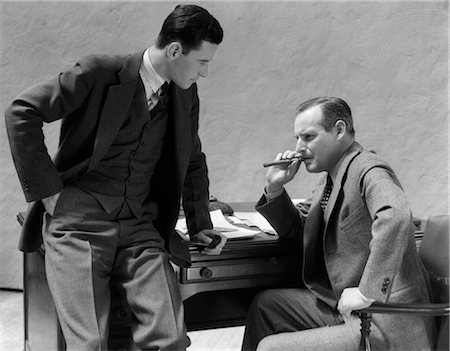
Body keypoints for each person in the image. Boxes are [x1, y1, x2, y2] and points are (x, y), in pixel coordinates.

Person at [5, 4, 227, 350]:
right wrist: (49, 194)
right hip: (79, 224)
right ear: (173, 50)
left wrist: (199, 224)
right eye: (203, 62)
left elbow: (192, 157)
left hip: (140, 225)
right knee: (89, 343)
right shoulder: (100, 72)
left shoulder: (184, 94)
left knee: (170, 338)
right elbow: (22, 111)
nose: (206, 73)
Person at [241, 97, 435, 350]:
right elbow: (302, 231)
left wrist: (368, 292)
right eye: (297, 138)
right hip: (346, 309)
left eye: (308, 137)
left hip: (384, 320)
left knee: (271, 348)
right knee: (266, 306)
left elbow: (396, 215)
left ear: (339, 130)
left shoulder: (369, 168)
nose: (299, 148)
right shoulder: (328, 181)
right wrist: (274, 188)